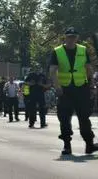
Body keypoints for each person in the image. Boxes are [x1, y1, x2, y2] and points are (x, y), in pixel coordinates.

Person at [49, 27, 98, 155]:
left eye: (74, 37)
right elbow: (53, 71)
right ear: (65, 37)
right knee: (64, 118)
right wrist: (57, 86)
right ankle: (67, 145)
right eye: (69, 37)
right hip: (65, 89)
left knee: (84, 117)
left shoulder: (82, 50)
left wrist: (92, 86)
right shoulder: (57, 51)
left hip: (81, 88)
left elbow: (88, 68)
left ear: (77, 38)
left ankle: (89, 144)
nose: (71, 39)